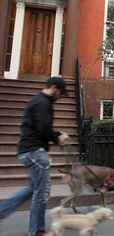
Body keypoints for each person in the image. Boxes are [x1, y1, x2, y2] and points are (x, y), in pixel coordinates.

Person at [0, 77, 69, 236]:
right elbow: (43, 129)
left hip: (27, 151)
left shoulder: (38, 101)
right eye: (60, 93)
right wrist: (57, 137)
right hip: (35, 152)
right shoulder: (43, 103)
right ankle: (37, 232)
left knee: (34, 188)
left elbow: (41, 127)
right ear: (54, 88)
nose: (60, 97)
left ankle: (3, 210)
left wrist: (56, 135)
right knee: (42, 192)